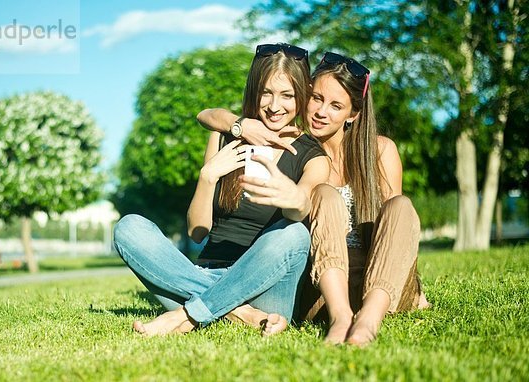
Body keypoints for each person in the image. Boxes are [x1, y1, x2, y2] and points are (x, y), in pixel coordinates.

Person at [198, 51, 430, 346]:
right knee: (324, 194)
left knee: (401, 206)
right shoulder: (295, 148)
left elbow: (395, 235)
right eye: (316, 98)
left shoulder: (381, 151)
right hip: (323, 288)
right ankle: (341, 317)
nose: (321, 112)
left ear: (353, 114)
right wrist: (241, 124)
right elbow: (207, 115)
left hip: (377, 284)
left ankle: (368, 322)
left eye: (336, 105)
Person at [113, 43, 330, 336]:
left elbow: (301, 206)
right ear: (254, 90)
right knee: (129, 227)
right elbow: (197, 232)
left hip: (265, 286)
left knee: (295, 233)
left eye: (287, 95)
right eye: (266, 92)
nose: (275, 105)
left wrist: (292, 198)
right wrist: (208, 175)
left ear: (302, 94)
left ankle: (189, 313)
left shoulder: (312, 156)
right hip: (204, 273)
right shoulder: (227, 137)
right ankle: (238, 313)